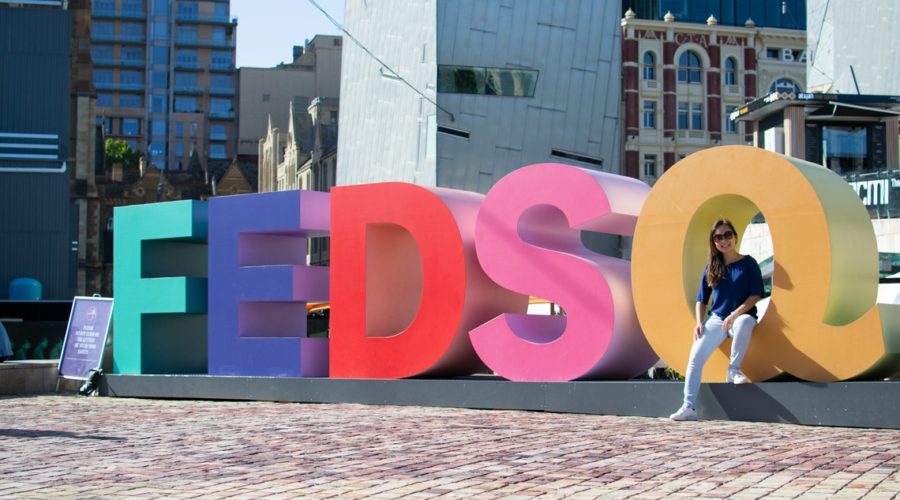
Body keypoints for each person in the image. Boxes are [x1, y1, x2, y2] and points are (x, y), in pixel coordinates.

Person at [670, 218, 764, 421]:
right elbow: (701, 299)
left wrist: (735, 314)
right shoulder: (711, 268)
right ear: (714, 242)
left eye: (728, 235)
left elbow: (755, 294)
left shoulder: (748, 263)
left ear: (735, 237)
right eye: (718, 237)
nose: (724, 240)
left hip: (741, 316)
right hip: (716, 319)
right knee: (695, 358)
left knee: (744, 323)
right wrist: (699, 322)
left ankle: (733, 370)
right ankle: (688, 407)